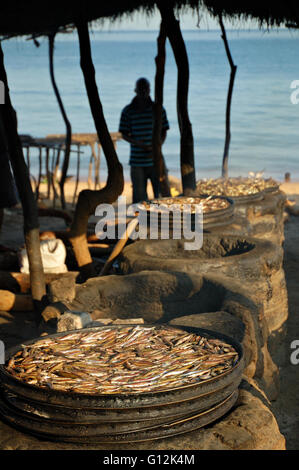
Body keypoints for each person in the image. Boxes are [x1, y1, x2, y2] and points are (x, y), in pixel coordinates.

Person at [119, 77, 170, 203]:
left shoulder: (157, 109)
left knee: (160, 195)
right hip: (137, 162)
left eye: (145, 90)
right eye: (140, 90)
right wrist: (138, 144)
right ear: (136, 91)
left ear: (149, 90)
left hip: (155, 159)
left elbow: (164, 130)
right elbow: (124, 134)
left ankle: (160, 220)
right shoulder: (128, 111)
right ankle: (142, 221)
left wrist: (158, 145)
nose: (143, 93)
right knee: (139, 197)